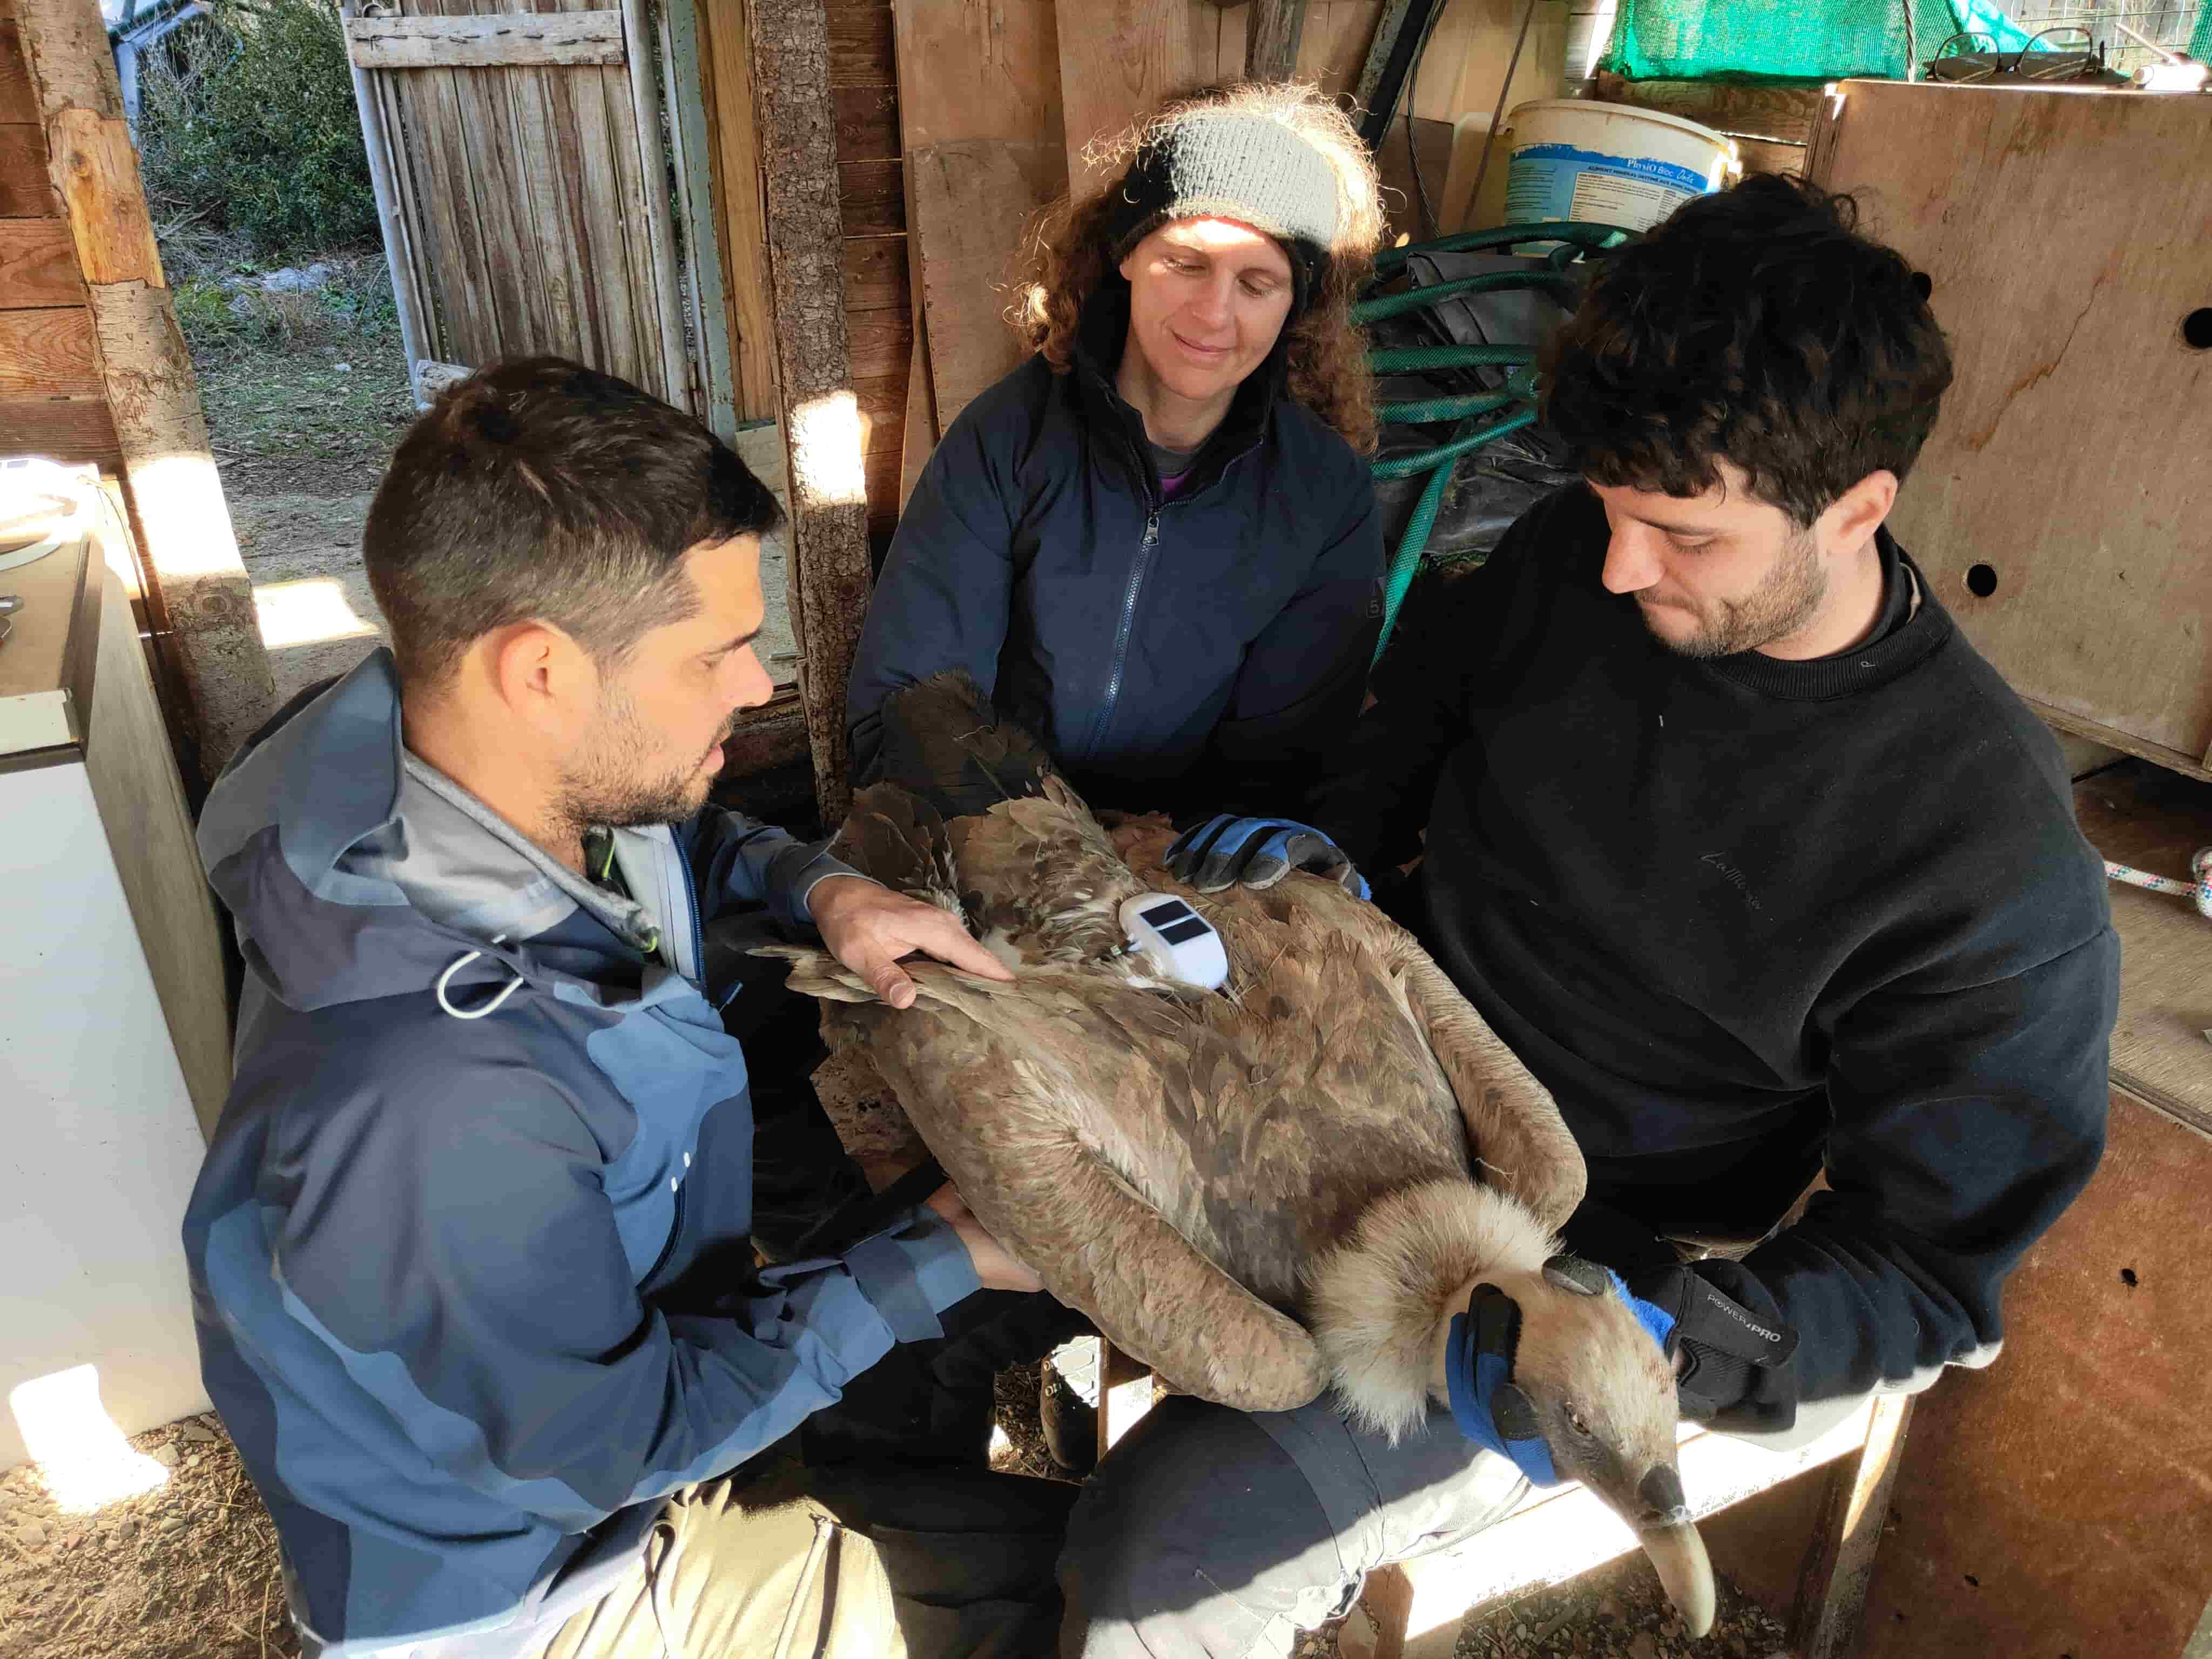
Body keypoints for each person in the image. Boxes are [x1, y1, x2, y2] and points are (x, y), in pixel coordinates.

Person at [1055, 172, 2119, 1657]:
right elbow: (1419, 704)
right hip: (1362, 1053)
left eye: (1682, 535)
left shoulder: (1984, 856)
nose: (1621, 568)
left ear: (1858, 509)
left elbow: (1931, 1271)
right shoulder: (1577, 554)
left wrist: (1667, 1339)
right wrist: (1330, 845)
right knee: (959, 1171)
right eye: (1609, 510)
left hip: (1548, 1254)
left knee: (1161, 1563)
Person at [181, 359, 1076, 1659]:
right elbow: (602, 1449)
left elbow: (673, 844)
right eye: (715, 652)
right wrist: (932, 1258)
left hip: (607, 1368)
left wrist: (821, 892)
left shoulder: (452, 767)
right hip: (527, 1583)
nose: (757, 686)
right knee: (1061, 1594)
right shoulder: (434, 1094)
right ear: (539, 668)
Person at [847, 80, 1387, 885]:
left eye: (1256, 283)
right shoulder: (1010, 438)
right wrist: (1042, 853)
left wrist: (1182, 864)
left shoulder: (1324, 494)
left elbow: (1285, 758)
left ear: (1295, 302)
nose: (1214, 314)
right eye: (1186, 262)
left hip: (1185, 864)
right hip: (991, 834)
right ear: (1128, 254)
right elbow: (910, 697)